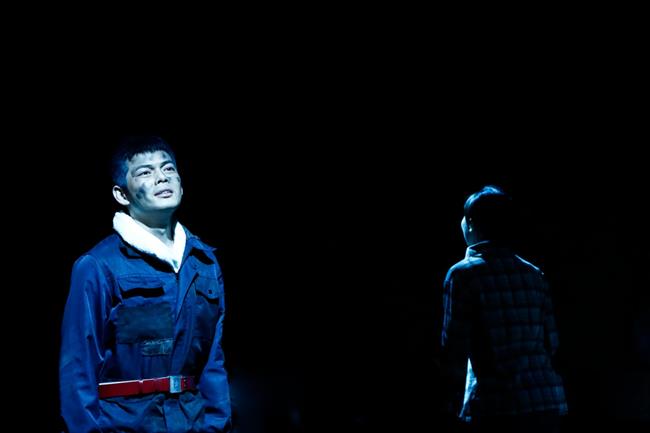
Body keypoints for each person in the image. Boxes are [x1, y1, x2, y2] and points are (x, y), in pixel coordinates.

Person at [59, 136, 232, 432]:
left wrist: (218, 424)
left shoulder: (204, 263)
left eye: (168, 168)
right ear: (121, 194)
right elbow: (78, 368)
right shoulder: (98, 266)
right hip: (124, 423)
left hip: (194, 422)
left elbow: (213, 361)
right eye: (145, 172)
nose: (161, 177)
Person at [440, 185, 568, 433]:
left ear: (470, 223)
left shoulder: (462, 274)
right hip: (545, 402)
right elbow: (552, 343)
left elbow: (454, 350)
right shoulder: (534, 274)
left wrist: (449, 404)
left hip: (495, 407)